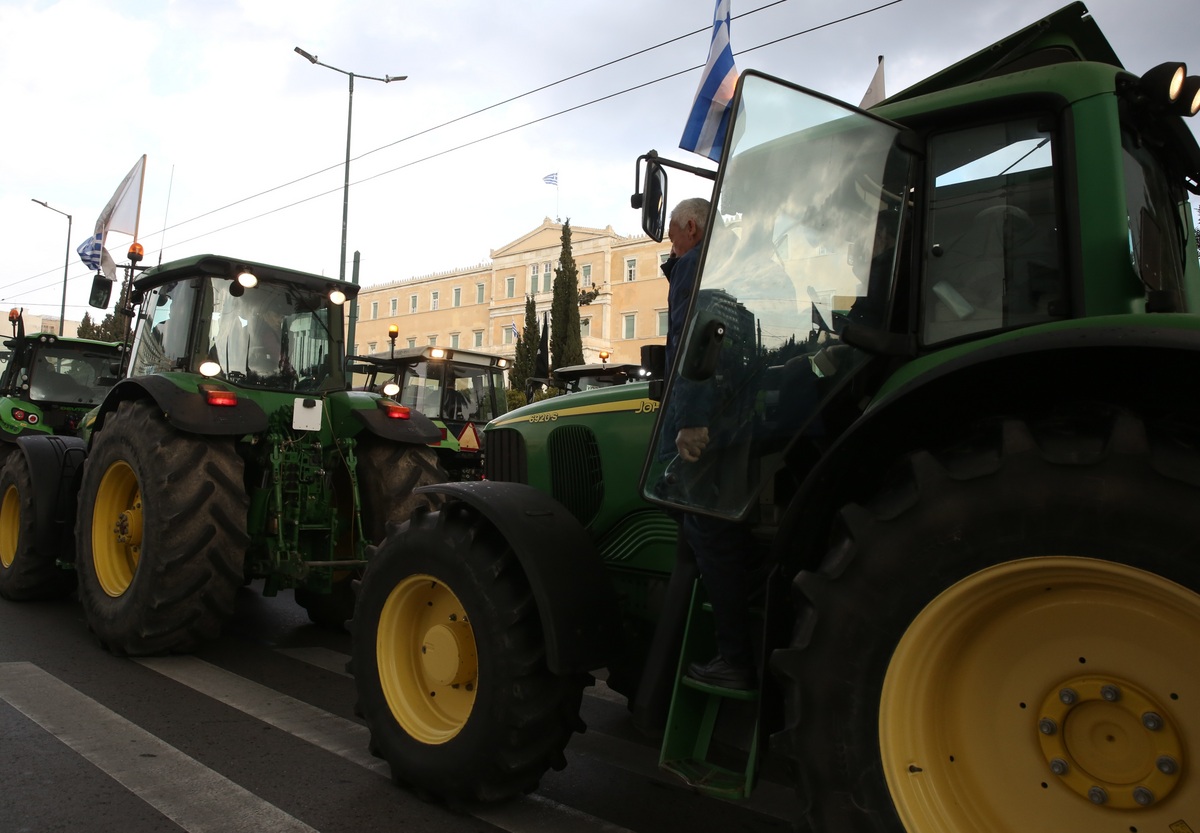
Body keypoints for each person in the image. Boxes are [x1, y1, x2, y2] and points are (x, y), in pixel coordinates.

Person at [660, 197, 759, 691]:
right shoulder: (738, 267)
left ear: (692, 228)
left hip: (708, 421)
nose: (671, 243)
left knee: (705, 528)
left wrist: (690, 420)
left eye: (673, 233)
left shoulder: (694, 265)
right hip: (740, 418)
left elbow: (690, 343)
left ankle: (733, 656)